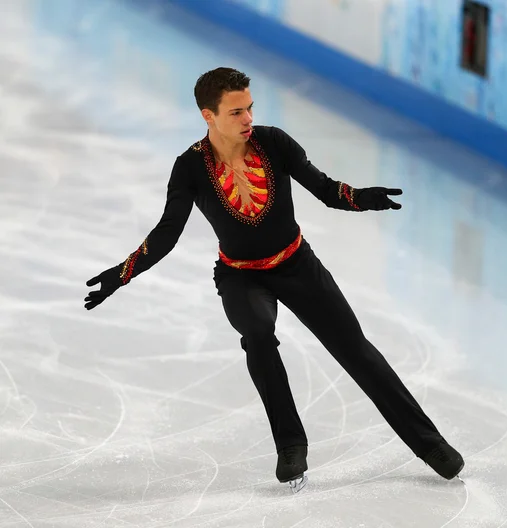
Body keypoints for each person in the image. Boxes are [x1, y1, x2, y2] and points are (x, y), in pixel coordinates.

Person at [84, 67, 464, 493]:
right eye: (235, 112)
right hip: (241, 278)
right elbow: (167, 233)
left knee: (355, 350)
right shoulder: (189, 167)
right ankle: (291, 446)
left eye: (249, 108)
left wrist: (362, 198)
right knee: (259, 335)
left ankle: (431, 446)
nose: (247, 119)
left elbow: (324, 189)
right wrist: (122, 274)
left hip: (297, 265)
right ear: (208, 116)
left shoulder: (274, 142)